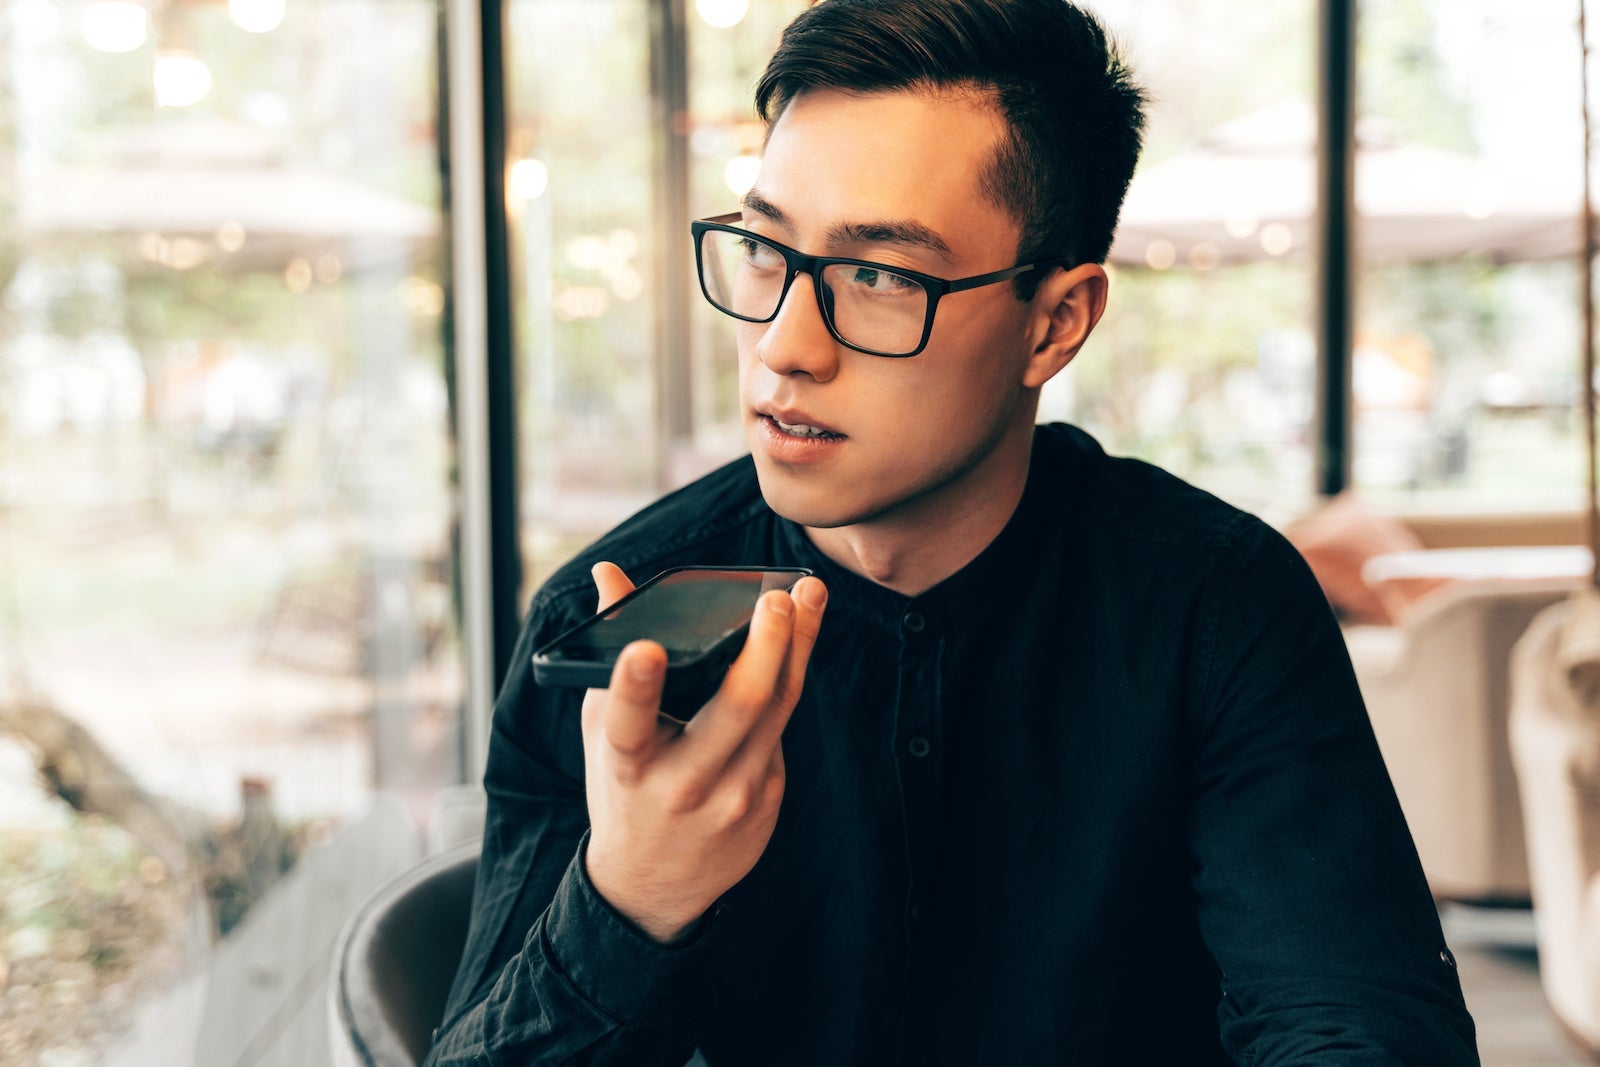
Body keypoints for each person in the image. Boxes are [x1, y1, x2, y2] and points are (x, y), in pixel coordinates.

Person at [428, 1, 1480, 1063]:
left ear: (1054, 322)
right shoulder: (606, 636)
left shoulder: (1215, 609)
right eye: (764, 248)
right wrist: (632, 899)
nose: (785, 346)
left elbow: (1359, 1022)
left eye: (879, 275)